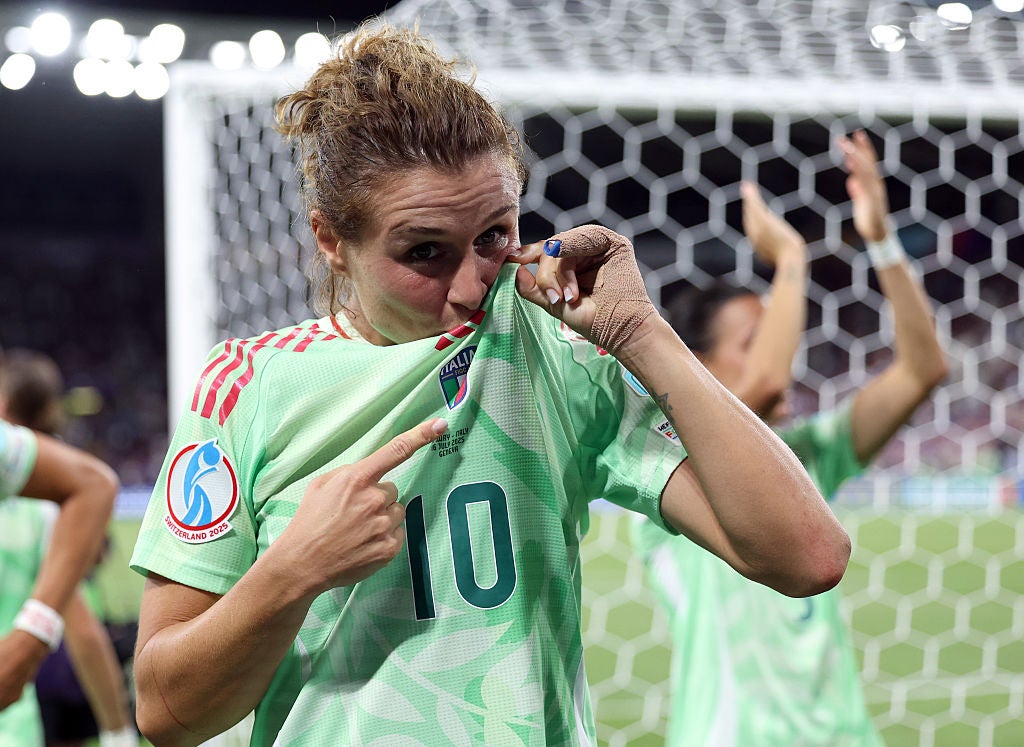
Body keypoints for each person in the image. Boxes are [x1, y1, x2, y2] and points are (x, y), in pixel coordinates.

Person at [129, 21, 850, 747]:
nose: (473, 282)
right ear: (330, 241)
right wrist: (291, 571)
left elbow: (808, 556)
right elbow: (166, 713)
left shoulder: (554, 354)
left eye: (494, 235)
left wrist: (643, 335)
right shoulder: (245, 387)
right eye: (425, 252)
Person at [633, 130, 948, 746]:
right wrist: (793, 260)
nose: (786, 353)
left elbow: (922, 369)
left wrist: (880, 241)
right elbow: (768, 386)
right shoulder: (667, 465)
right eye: (752, 341)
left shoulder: (807, 459)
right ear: (697, 366)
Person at [0, 350, 138, 747]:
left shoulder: (43, 497)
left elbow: (95, 487)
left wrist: (30, 638)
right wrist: (118, 732)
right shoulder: (47, 500)